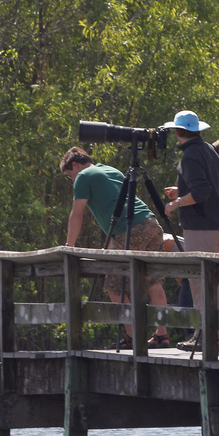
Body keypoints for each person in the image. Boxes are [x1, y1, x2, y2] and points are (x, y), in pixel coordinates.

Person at [59, 147, 170, 346]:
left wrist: (70, 246)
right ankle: (161, 334)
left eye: (69, 176)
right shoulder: (112, 170)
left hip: (128, 229)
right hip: (151, 223)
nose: (72, 180)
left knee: (114, 285)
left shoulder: (84, 176)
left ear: (74, 165)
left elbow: (77, 214)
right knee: (154, 281)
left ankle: (133, 337)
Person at [162, 110, 219, 254]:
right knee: (209, 274)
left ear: (178, 132)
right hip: (215, 224)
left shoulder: (190, 156)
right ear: (197, 130)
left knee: (198, 275)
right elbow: (215, 185)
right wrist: (180, 190)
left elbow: (200, 193)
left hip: (200, 227)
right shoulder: (210, 149)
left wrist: (175, 203)